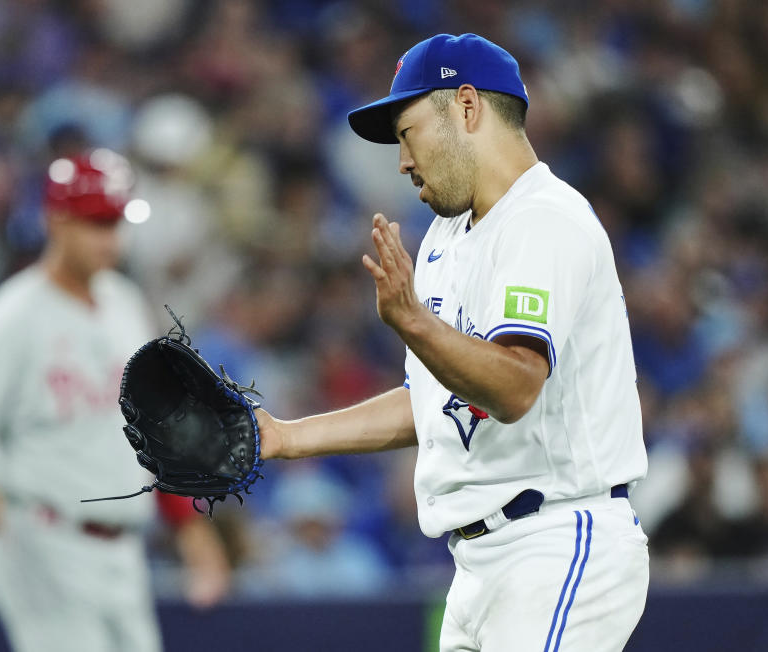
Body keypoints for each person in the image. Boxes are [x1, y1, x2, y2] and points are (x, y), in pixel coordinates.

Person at [256, 33, 649, 651]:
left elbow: (516, 384)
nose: (402, 160)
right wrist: (287, 436)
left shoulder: (542, 219)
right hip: (480, 564)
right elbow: (431, 400)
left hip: (555, 540)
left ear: (467, 108)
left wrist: (413, 321)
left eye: (407, 131)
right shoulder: (445, 236)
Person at [0, 149, 231, 652]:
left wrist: (190, 530)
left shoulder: (124, 305)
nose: (110, 237)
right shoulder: (14, 314)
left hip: (121, 548)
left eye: (116, 221)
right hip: (38, 536)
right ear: (57, 221)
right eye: (96, 223)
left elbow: (152, 431)